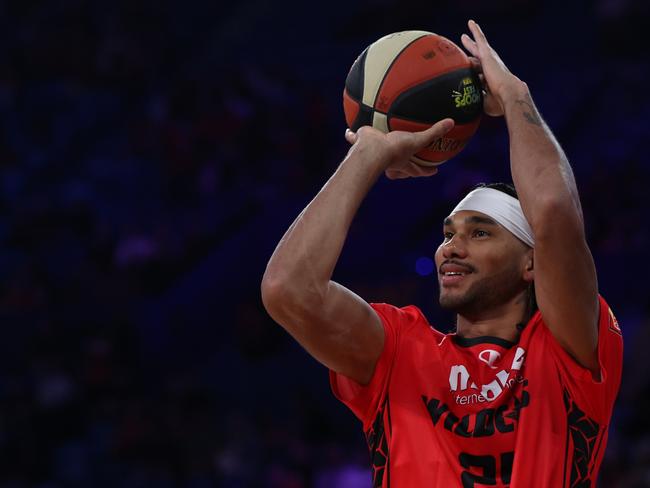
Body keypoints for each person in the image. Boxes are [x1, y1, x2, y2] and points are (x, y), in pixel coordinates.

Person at [261, 20, 622, 487]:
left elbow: (552, 212)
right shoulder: (399, 349)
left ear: (532, 262)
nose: (452, 247)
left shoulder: (566, 348)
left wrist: (514, 96)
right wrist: (367, 154)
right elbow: (287, 290)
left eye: (481, 233)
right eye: (448, 233)